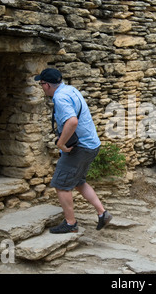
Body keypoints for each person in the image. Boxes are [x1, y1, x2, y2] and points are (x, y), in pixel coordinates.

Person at [36, 68, 112, 233]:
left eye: (41, 84)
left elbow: (72, 122)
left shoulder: (60, 97)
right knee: (78, 181)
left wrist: (61, 144)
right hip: (91, 144)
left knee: (61, 184)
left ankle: (70, 223)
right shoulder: (70, 89)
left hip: (80, 148)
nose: (41, 87)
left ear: (47, 85)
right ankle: (102, 213)